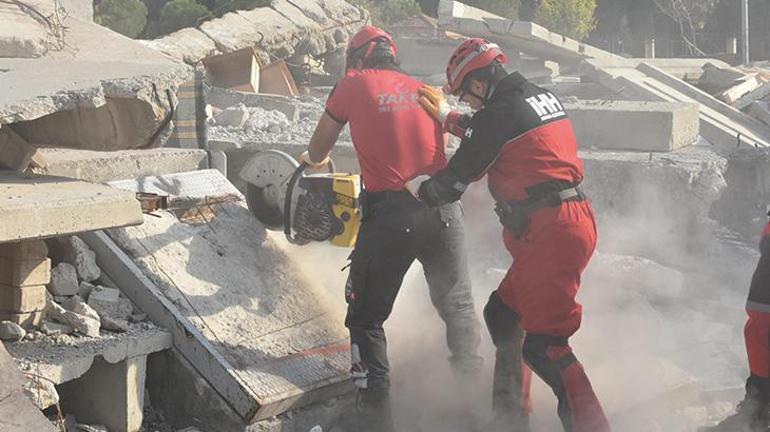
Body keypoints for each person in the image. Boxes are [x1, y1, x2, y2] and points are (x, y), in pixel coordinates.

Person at [406, 38, 611, 432]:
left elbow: (451, 183)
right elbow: (489, 132)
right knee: (504, 315)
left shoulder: (498, 114)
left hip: (551, 231)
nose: (469, 104)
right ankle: (509, 418)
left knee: (546, 346)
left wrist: (415, 187)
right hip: (562, 222)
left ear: (480, 84)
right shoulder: (534, 96)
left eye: (467, 96)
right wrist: (450, 118)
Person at [300, 26, 484, 432]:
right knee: (458, 311)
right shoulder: (422, 86)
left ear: (358, 58)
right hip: (444, 211)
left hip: (392, 215)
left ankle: (374, 418)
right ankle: (474, 411)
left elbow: (317, 153)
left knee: (366, 317)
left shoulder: (352, 83)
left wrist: (309, 158)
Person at [700, 218, 770, 432]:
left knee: (760, 334)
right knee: (759, 335)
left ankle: (757, 410)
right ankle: (757, 409)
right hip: (763, 299)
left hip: (763, 299)